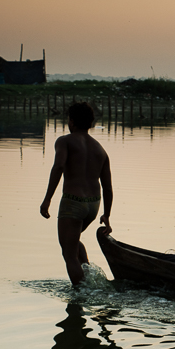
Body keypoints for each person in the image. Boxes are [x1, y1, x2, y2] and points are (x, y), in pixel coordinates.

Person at [40, 102, 113, 285]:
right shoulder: (100, 150)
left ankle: (82, 294)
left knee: (68, 253)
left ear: (71, 121)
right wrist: (107, 215)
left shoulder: (65, 141)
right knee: (73, 241)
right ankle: (89, 279)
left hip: (73, 202)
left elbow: (58, 167)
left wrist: (47, 199)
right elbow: (108, 187)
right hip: (93, 205)